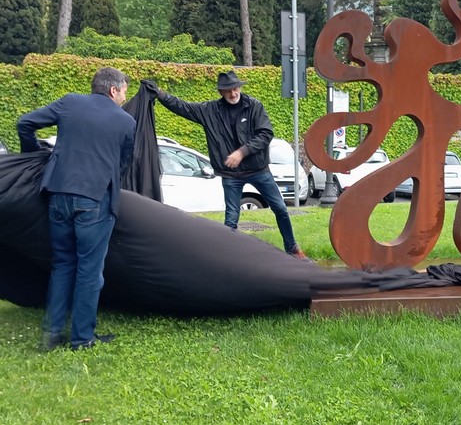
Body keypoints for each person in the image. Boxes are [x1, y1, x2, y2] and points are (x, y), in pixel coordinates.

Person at [17, 67, 136, 351]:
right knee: (89, 270)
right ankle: (82, 338)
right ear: (113, 90)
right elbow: (123, 163)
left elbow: (25, 123)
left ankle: (52, 333)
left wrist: (33, 155)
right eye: (123, 92)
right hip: (94, 200)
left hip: (57, 195)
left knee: (62, 264)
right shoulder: (126, 121)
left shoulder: (69, 102)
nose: (124, 97)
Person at [145, 71, 308, 259]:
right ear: (221, 92)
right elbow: (183, 107)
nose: (233, 93)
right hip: (231, 175)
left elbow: (265, 134)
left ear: (240, 87)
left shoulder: (254, 106)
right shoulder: (210, 110)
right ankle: (227, 257)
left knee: (280, 207)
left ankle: (293, 249)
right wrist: (160, 94)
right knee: (231, 219)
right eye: (228, 90)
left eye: (235, 88)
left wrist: (241, 152)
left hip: (258, 170)